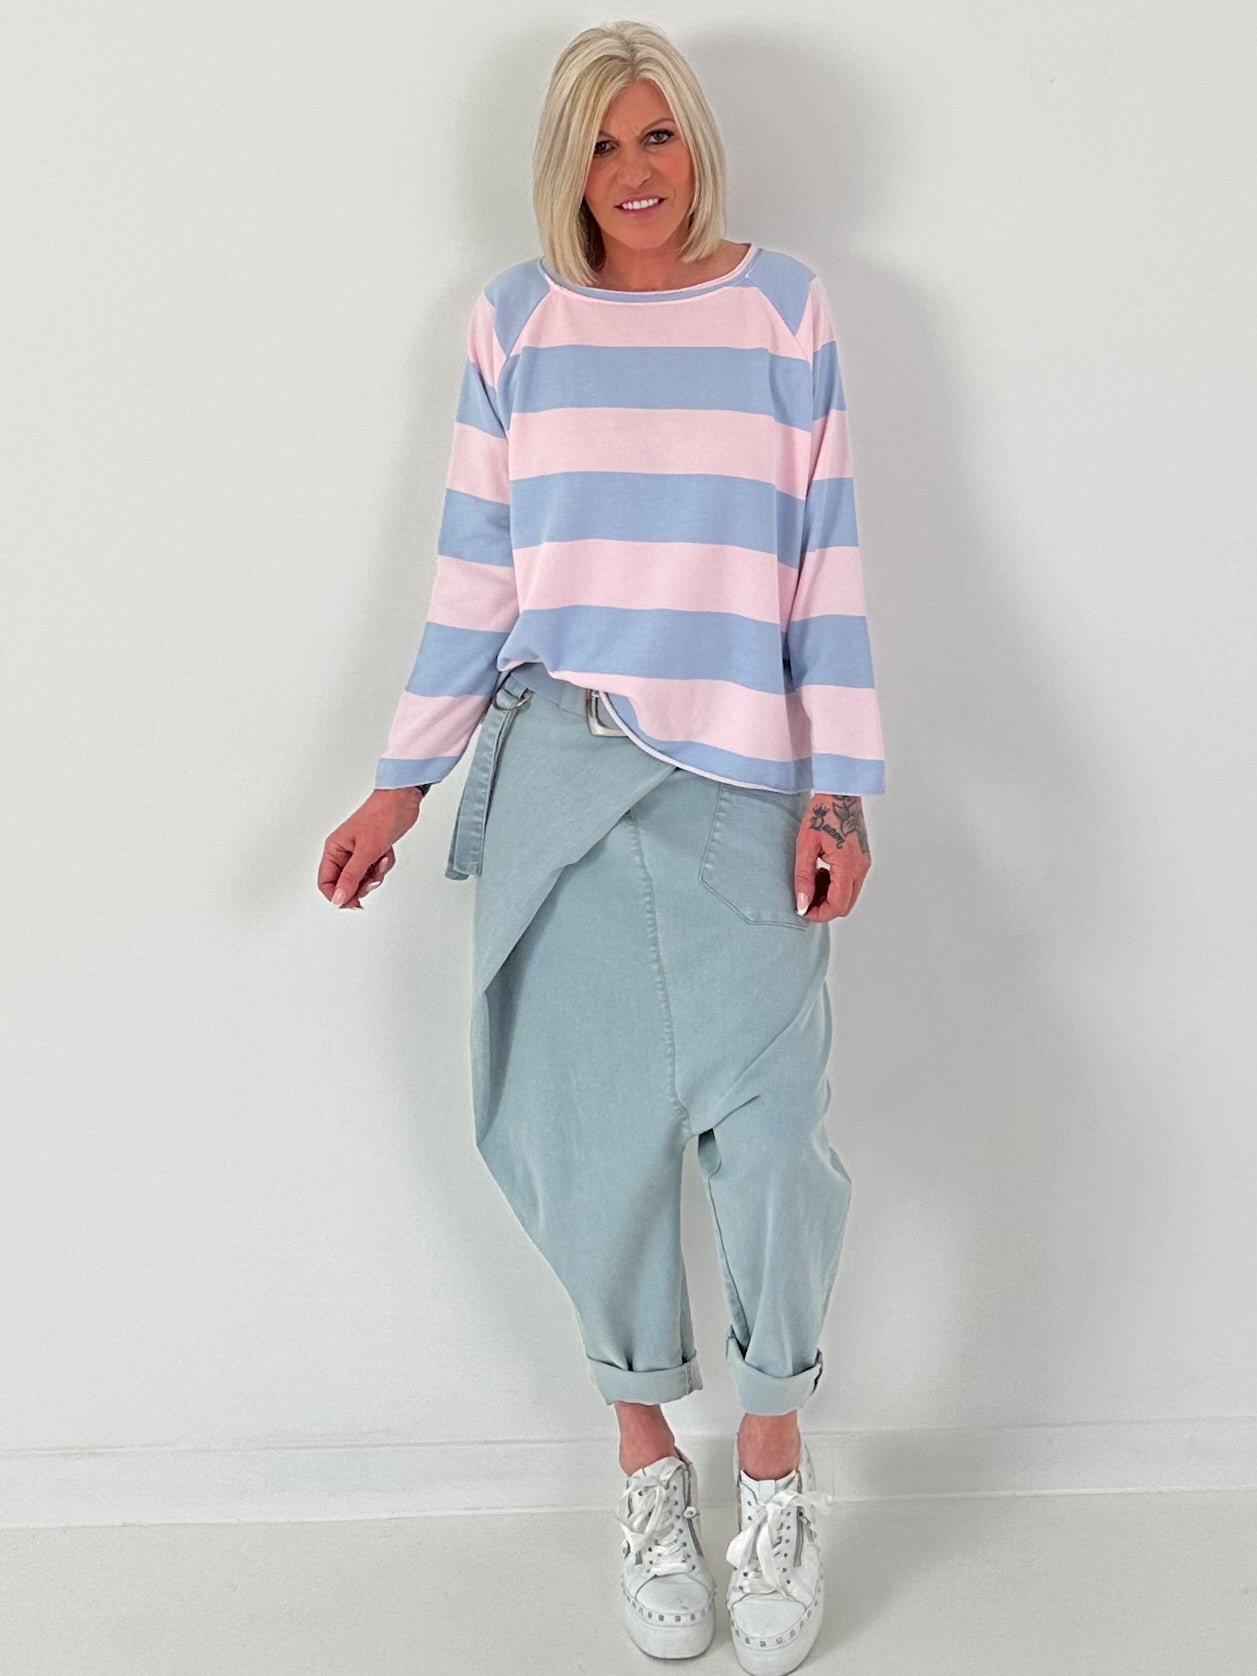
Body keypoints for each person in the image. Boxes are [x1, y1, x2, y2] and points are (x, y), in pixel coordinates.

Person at [318, 21, 886, 1675]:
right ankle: (644, 1474)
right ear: (563, 167)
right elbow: (475, 576)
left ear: (693, 144)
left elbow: (825, 565)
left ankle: (769, 1471)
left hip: (744, 788)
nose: (633, 172)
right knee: (581, 1145)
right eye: (600, 144)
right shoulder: (515, 321)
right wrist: (400, 783)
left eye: (656, 136)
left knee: (771, 1148)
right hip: (559, 777)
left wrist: (839, 791)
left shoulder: (782, 309)